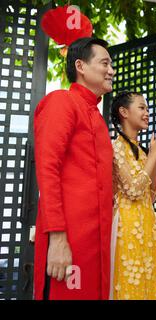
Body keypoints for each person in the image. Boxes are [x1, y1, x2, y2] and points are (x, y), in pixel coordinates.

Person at [33, 37, 115, 299]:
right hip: (68, 238)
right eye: (105, 63)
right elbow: (48, 170)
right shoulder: (61, 102)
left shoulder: (97, 117)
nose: (111, 70)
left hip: (95, 241)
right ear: (80, 66)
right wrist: (57, 240)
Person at [110, 91, 156, 300]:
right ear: (124, 112)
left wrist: (155, 156)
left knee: (151, 283)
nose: (147, 113)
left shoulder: (143, 151)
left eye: (147, 108)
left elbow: (152, 194)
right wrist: (154, 156)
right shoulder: (116, 147)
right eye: (142, 107)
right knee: (131, 282)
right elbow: (134, 190)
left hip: (147, 222)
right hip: (125, 227)